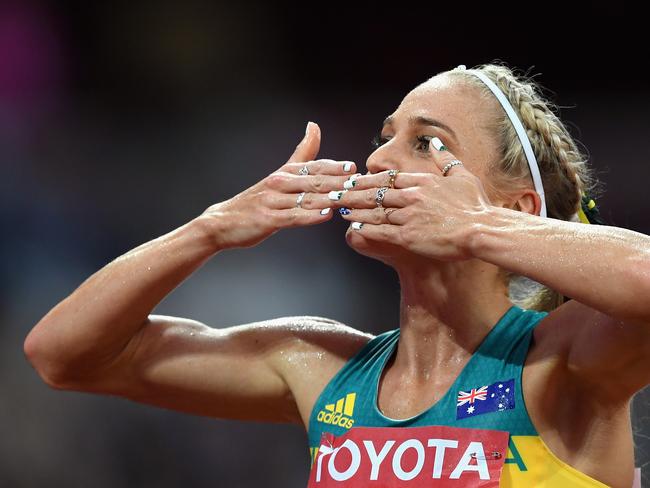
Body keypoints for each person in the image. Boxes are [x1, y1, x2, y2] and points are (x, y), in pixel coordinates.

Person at [24, 62, 647, 487]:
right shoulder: (319, 369)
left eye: (428, 142)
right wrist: (212, 228)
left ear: (518, 207)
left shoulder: (562, 362)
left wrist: (478, 228)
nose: (378, 159)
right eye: (386, 136)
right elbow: (64, 354)